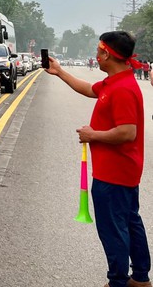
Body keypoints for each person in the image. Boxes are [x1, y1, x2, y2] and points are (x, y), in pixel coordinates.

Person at [46, 31, 151, 287]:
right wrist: (59, 71)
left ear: (106, 54)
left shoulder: (123, 88)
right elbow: (88, 88)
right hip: (122, 172)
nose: (96, 55)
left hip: (114, 174)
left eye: (98, 50)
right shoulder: (114, 82)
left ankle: (118, 281)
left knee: (113, 230)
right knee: (130, 221)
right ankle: (140, 278)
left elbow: (128, 132)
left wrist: (93, 135)